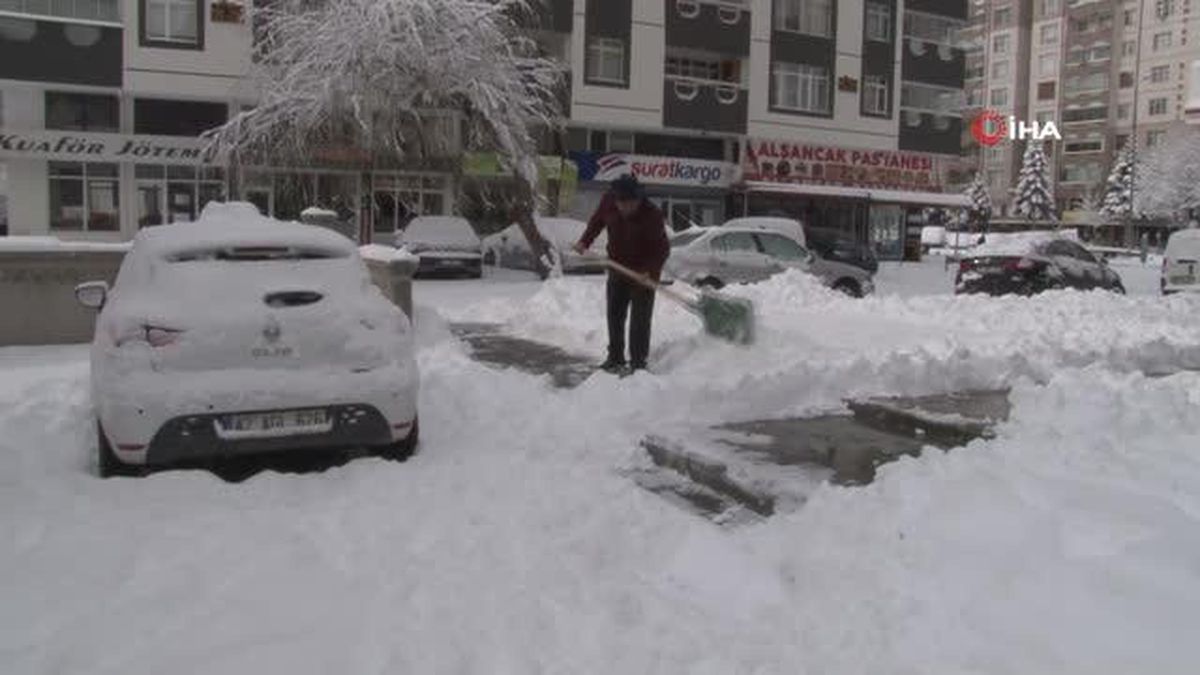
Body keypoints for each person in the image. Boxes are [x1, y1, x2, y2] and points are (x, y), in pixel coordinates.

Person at [573, 175, 669, 373]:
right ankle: (615, 358)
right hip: (617, 267)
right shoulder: (609, 202)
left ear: (638, 199)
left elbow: (661, 249)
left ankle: (638, 363)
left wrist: (649, 272)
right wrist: (585, 241)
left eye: (630, 204)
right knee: (615, 315)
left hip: (644, 273)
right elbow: (597, 221)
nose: (625, 208)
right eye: (621, 204)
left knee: (639, 320)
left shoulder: (652, 215)